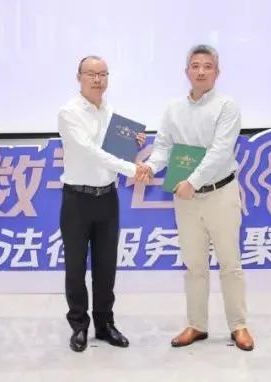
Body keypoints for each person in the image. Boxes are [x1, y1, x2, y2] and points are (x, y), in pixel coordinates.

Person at [144, 45, 254, 351]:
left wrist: (192, 182)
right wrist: (149, 167)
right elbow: (163, 147)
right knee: (194, 265)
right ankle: (197, 325)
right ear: (187, 71)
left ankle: (238, 325)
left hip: (220, 193)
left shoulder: (226, 106)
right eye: (195, 66)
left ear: (217, 72)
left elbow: (220, 152)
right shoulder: (173, 108)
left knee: (230, 263)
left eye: (207, 66)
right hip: (186, 198)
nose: (201, 71)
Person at [57, 55, 149, 352]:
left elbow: (114, 150)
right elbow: (91, 152)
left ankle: (105, 323)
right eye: (91, 74)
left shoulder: (111, 112)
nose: (97, 80)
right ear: (79, 77)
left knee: (106, 266)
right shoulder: (69, 112)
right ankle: (79, 325)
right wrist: (132, 168)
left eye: (103, 74)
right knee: (75, 267)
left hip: (107, 197)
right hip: (77, 199)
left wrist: (134, 143)